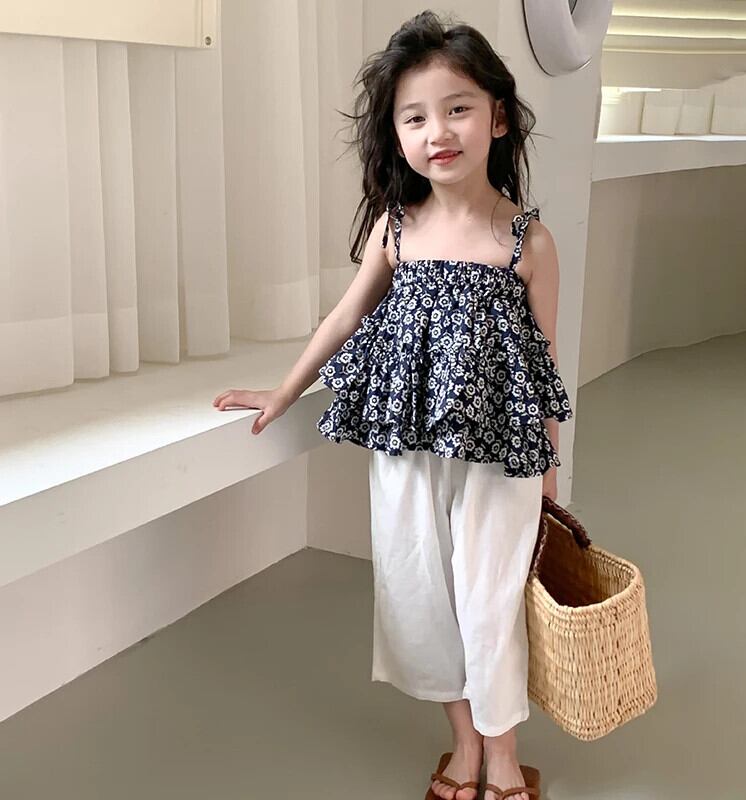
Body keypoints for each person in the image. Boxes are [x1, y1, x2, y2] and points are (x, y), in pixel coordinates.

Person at [213, 10, 573, 800]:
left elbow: (544, 367)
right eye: (414, 117)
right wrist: (283, 389)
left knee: (490, 601)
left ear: (498, 118)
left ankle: (504, 755)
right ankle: (464, 748)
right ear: (397, 135)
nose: (437, 132)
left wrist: (551, 473)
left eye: (457, 108)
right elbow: (344, 319)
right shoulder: (396, 230)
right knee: (420, 594)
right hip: (405, 444)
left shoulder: (528, 242)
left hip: (500, 455)